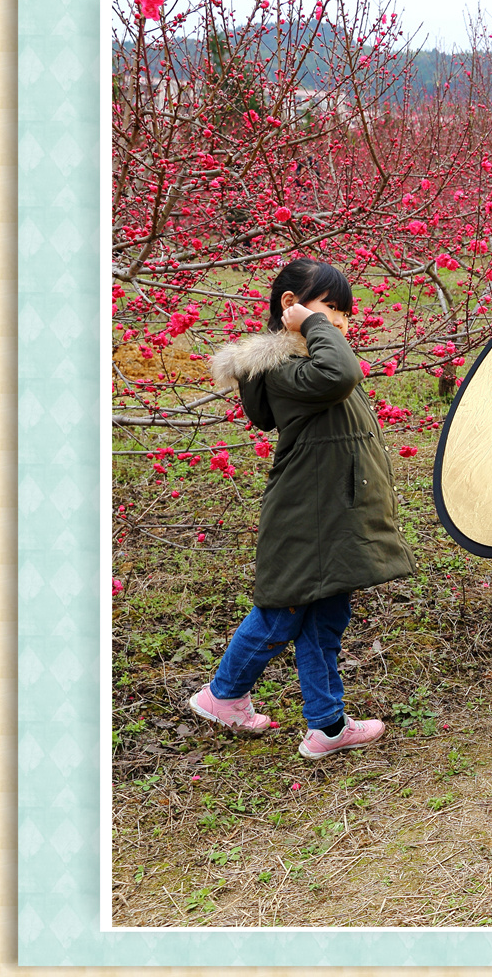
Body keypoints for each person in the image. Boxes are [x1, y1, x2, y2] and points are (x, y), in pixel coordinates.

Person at [190, 259, 415, 760]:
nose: (339, 321)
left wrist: (315, 326)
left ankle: (328, 725)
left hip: (330, 506)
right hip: (308, 511)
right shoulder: (285, 367)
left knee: (326, 613)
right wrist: (314, 325)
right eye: (329, 308)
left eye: (344, 312)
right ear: (290, 305)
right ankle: (222, 695)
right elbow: (341, 374)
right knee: (284, 609)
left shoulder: (306, 358)